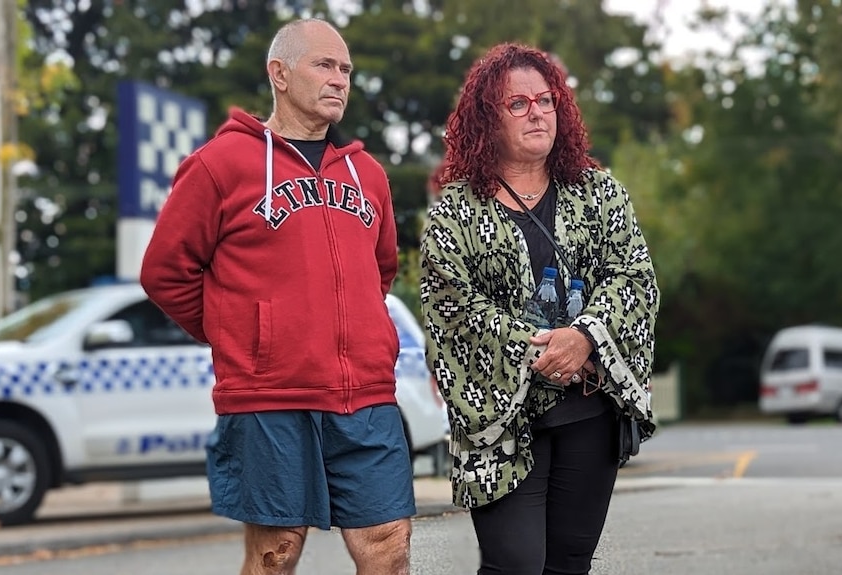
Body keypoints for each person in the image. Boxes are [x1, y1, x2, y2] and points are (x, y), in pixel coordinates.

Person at [140, 18, 414, 575]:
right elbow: (165, 272)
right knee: (275, 556)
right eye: (324, 65)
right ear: (279, 73)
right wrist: (245, 334)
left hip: (365, 395)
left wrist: (353, 328)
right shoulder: (220, 166)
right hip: (270, 399)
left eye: (346, 70)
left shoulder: (370, 175)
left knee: (388, 546)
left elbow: (379, 271)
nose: (339, 79)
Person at [420, 42, 660, 575]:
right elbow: (451, 307)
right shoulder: (456, 211)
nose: (537, 113)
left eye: (546, 101)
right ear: (488, 119)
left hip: (588, 408)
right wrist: (540, 350)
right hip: (501, 415)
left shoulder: (599, 194)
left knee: (569, 563)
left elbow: (635, 277)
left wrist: (586, 337)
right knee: (516, 564)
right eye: (518, 104)